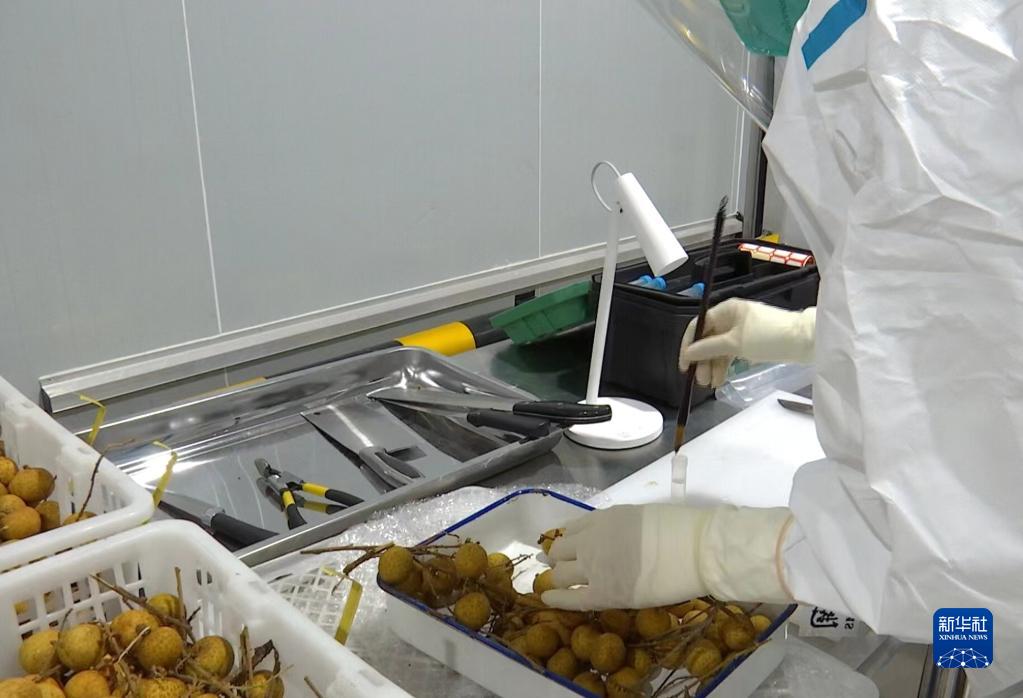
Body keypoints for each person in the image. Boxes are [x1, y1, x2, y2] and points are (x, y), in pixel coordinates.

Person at [543, 1, 1023, 693]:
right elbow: (964, 331)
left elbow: (973, 561)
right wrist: (804, 334)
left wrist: (719, 552)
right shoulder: (902, 39)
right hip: (975, 617)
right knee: (962, 650)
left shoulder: (933, 54)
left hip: (982, 610)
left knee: (966, 646)